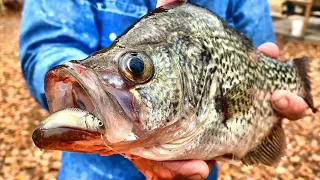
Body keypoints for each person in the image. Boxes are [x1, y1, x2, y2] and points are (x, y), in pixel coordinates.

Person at [19, 0, 308, 179]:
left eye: (136, 69)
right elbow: (46, 45)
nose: (133, 72)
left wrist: (277, 94)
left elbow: (259, 56)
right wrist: (84, 103)